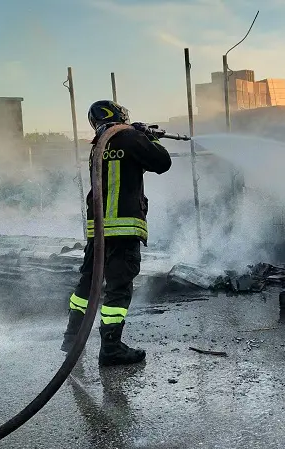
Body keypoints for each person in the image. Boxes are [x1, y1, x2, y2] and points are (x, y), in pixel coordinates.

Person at [60, 100, 172, 366]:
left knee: (87, 283)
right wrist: (147, 136)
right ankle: (111, 348)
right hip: (123, 227)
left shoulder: (99, 144)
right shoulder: (130, 137)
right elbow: (162, 162)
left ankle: (72, 336)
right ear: (119, 115)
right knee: (118, 288)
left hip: (98, 230)